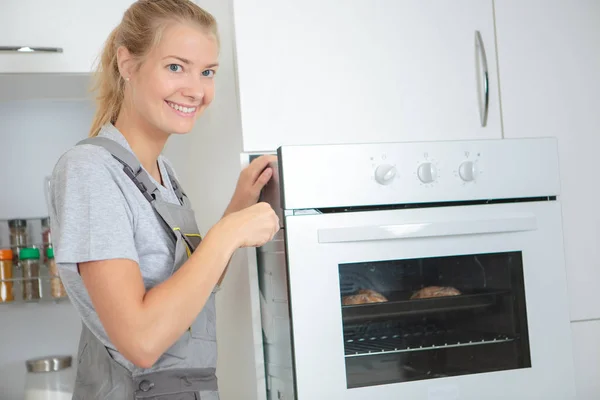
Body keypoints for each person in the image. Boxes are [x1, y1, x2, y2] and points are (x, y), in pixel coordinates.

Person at [48, 1, 280, 398]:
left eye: (207, 72)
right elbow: (140, 341)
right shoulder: (90, 169)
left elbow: (193, 286)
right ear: (127, 64)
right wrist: (227, 233)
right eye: (176, 66)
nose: (196, 89)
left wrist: (240, 203)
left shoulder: (161, 172)